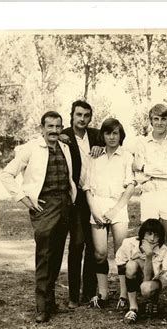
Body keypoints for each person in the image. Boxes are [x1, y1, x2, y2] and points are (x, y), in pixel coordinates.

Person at [1, 111, 77, 323]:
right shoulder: (30, 148)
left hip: (64, 204)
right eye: (50, 126)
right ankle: (42, 307)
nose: (54, 130)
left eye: (57, 126)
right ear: (41, 128)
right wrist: (25, 199)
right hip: (44, 206)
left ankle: (51, 302)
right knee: (44, 255)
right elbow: (6, 175)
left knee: (56, 255)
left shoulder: (64, 146)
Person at [83, 118, 136, 309]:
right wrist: (94, 210)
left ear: (121, 135)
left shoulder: (127, 156)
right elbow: (87, 187)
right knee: (100, 253)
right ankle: (103, 293)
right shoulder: (94, 156)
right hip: (97, 205)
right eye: (108, 133)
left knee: (121, 253)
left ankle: (123, 294)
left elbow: (130, 186)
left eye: (115, 133)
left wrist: (116, 210)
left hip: (118, 206)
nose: (112, 137)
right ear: (102, 135)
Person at [60, 100, 103, 307]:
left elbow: (119, 137)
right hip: (76, 199)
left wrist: (101, 145)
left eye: (86, 115)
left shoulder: (96, 135)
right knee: (77, 244)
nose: (82, 119)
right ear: (72, 115)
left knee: (94, 246)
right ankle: (73, 296)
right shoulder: (64, 136)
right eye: (79, 115)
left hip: (95, 197)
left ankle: (89, 292)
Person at [132, 104, 167, 245]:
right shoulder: (141, 142)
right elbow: (139, 176)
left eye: (163, 119)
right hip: (148, 195)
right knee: (149, 241)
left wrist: (144, 166)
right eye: (156, 119)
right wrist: (160, 169)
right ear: (151, 121)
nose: (159, 123)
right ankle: (151, 267)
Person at [115, 218, 167, 324]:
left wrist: (148, 256)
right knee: (130, 265)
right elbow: (120, 265)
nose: (152, 239)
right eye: (149, 234)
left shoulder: (163, 249)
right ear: (142, 234)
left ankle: (153, 300)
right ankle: (133, 307)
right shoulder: (129, 243)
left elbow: (148, 279)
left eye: (156, 235)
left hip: (152, 282)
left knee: (146, 288)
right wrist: (123, 294)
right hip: (136, 276)